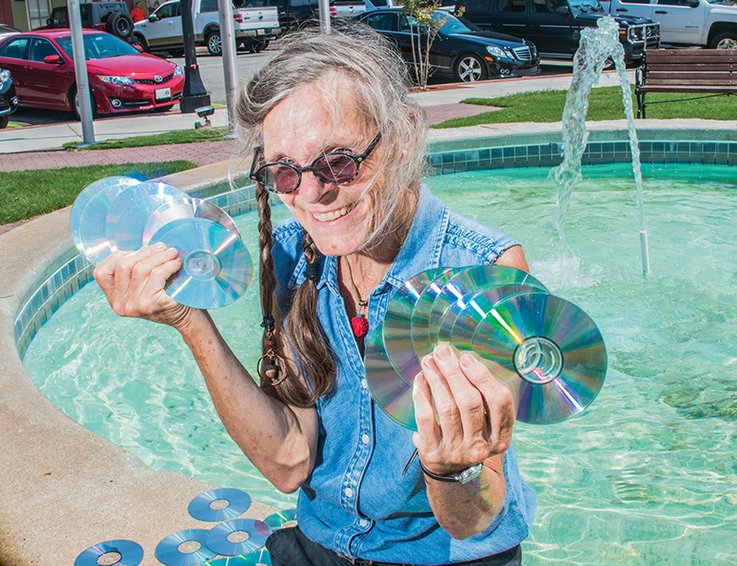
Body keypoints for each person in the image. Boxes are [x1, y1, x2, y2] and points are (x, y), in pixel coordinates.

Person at [94, 26, 536, 566]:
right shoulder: (290, 260)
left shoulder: (484, 273)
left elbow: (474, 517)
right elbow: (289, 461)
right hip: (318, 546)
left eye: (338, 163)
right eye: (283, 172)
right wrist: (189, 319)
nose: (311, 193)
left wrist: (450, 468)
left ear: (402, 138)